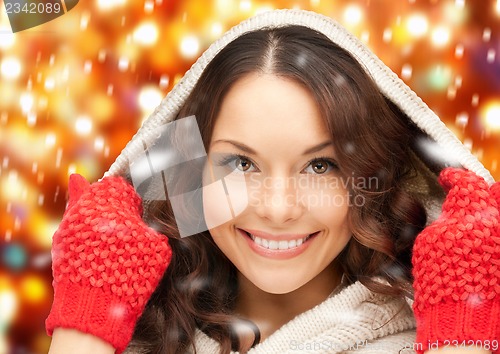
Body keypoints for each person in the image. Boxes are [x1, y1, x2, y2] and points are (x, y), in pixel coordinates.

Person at [46, 9, 499, 354]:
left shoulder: (443, 338)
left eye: (321, 166)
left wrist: (465, 327)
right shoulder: (121, 336)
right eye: (241, 163)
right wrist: (88, 314)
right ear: (187, 173)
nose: (278, 209)